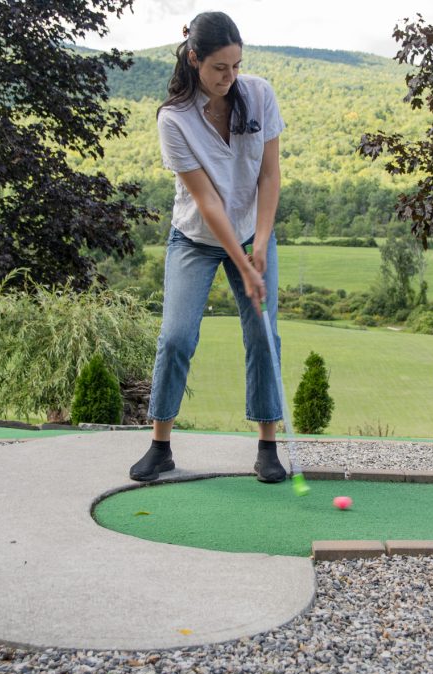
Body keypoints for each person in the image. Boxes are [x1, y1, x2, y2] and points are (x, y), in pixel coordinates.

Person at [129, 11, 287, 484]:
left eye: (237, 66)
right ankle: (160, 446)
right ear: (195, 59)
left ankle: (267, 447)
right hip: (195, 238)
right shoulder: (174, 119)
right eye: (220, 68)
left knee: (263, 335)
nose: (230, 77)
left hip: (252, 233)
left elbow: (270, 175)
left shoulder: (259, 94)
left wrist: (259, 245)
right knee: (176, 337)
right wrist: (243, 263)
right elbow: (208, 202)